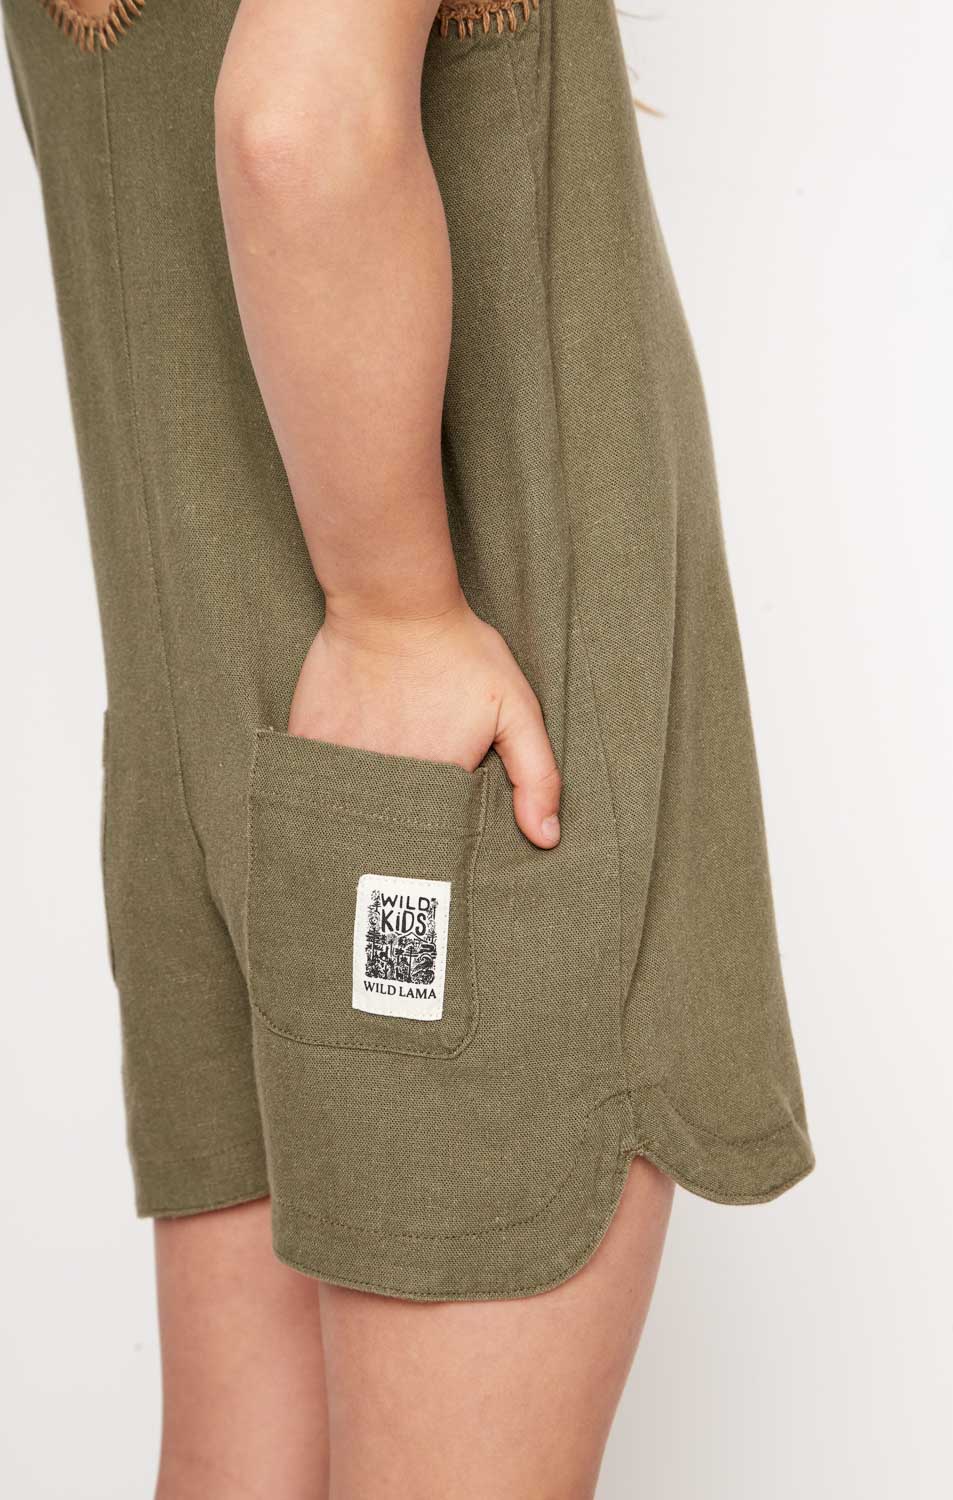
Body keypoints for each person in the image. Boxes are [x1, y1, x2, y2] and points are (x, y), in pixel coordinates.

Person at [3, 0, 814, 1493]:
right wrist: (396, 609)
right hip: (456, 747)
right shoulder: (408, 651)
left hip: (230, 732)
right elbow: (297, 123)